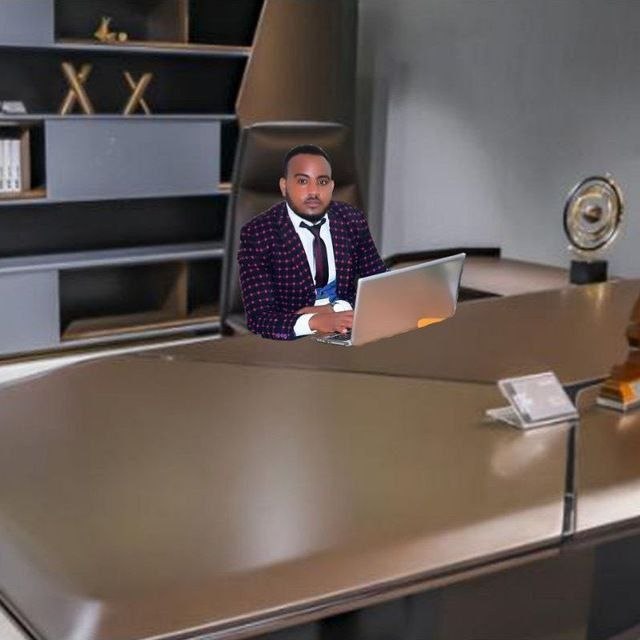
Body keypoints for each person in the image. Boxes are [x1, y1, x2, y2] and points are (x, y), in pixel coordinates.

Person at [238, 144, 386, 340]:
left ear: (331, 187)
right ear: (284, 186)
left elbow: (379, 286)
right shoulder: (258, 234)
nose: (314, 191)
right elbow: (259, 318)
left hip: (348, 330)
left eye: (322, 182)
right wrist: (314, 321)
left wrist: (336, 309)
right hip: (292, 339)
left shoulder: (351, 220)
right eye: (302, 181)